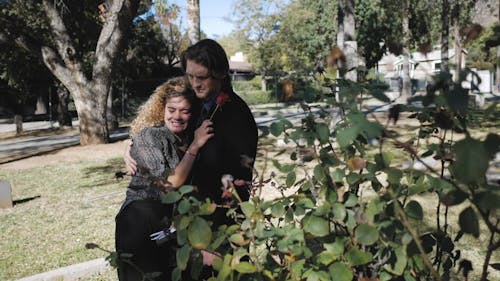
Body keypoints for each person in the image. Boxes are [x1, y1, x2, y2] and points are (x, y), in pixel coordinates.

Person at [124, 39, 259, 278]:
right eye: (190, 76)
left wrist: (213, 240)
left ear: (220, 74)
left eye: (202, 77)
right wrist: (132, 147)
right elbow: (163, 125)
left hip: (218, 228)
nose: (195, 84)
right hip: (189, 223)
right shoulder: (197, 103)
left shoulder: (238, 117)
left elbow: (236, 184)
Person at [115, 76, 214, 281]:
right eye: (171, 110)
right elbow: (168, 185)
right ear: (162, 109)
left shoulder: (185, 137)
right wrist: (195, 147)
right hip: (139, 220)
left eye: (184, 111)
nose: (177, 116)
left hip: (167, 221)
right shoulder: (151, 136)